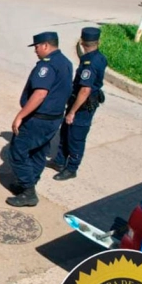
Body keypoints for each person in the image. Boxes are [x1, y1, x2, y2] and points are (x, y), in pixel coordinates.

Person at [7, 32, 73, 207]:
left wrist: (20, 116)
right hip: (53, 119)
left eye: (36, 47)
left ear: (45, 45)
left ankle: (28, 192)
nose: (35, 51)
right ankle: (28, 183)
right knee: (38, 152)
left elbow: (40, 94)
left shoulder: (47, 66)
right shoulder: (66, 62)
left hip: (38, 119)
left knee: (17, 153)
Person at [47, 27, 108, 181]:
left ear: (82, 42)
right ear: (98, 42)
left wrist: (72, 111)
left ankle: (71, 168)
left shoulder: (90, 63)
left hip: (83, 106)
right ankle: (60, 161)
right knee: (66, 131)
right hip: (79, 102)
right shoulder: (99, 57)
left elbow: (85, 90)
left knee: (76, 137)